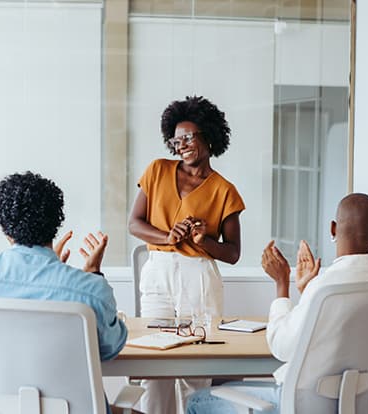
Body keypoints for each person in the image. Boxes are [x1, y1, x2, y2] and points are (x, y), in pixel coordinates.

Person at [186, 193, 368, 414]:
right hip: (354, 403)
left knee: (197, 402)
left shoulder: (324, 286)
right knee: (225, 387)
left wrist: (282, 284)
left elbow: (281, 347)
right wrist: (307, 291)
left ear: (333, 229)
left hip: (300, 403)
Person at [0, 171, 129, 414]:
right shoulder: (90, 289)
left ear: (5, 228)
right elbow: (110, 348)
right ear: (56, 224)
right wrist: (92, 274)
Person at [128, 95, 245, 414]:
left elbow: (233, 253)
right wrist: (167, 237)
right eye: (176, 139)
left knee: (195, 368)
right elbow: (134, 223)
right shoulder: (157, 170)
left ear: (208, 135)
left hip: (200, 278)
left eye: (188, 137)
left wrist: (202, 239)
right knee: (155, 366)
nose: (181, 144)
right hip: (158, 272)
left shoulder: (224, 190)